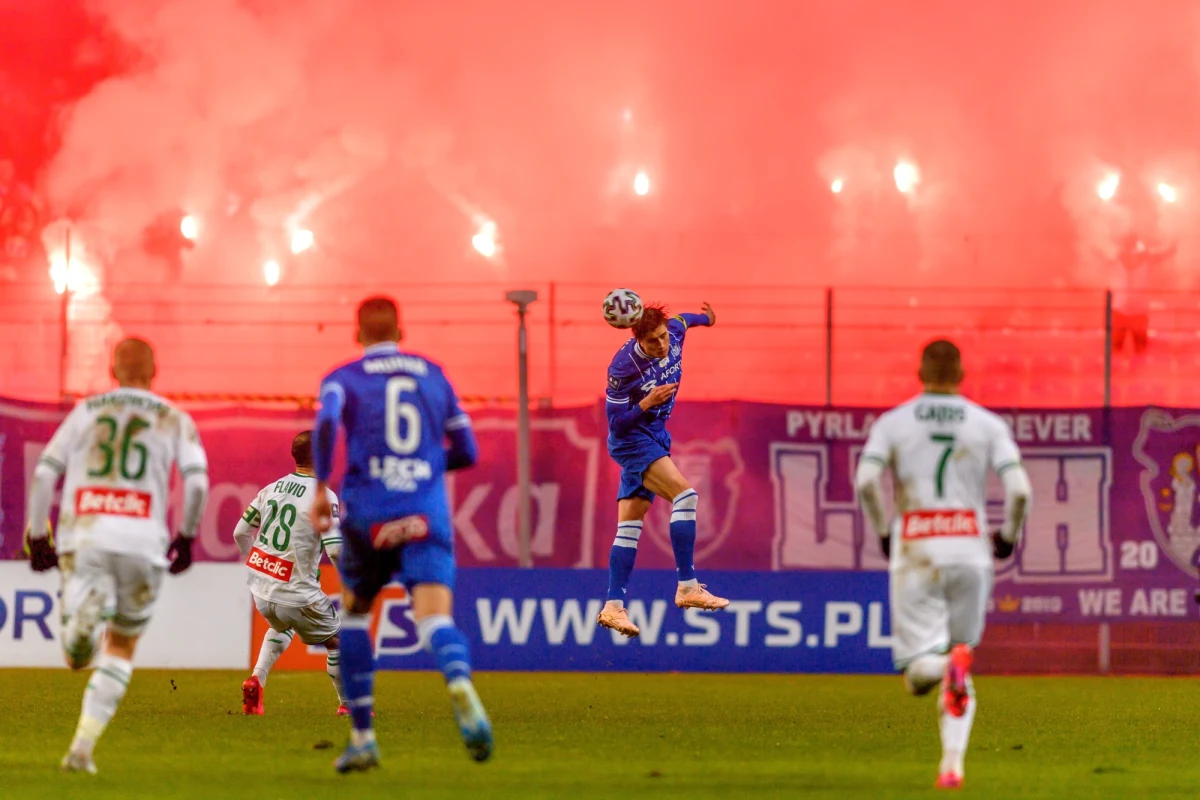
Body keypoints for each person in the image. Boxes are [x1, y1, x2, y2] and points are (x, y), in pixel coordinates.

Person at [310, 296, 489, 772]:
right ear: (401, 330)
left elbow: (327, 421)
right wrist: (426, 466)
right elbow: (467, 450)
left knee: (352, 615)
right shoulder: (435, 374)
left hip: (368, 515)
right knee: (434, 621)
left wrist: (319, 486)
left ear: (358, 332)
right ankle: (458, 682)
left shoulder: (342, 377)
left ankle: (364, 737)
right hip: (425, 513)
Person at [24, 337, 209, 774]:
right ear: (154, 370)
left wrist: (37, 537)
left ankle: (82, 624)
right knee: (122, 646)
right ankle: (82, 748)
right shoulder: (174, 418)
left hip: (85, 535)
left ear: (112, 370)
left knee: (75, 656)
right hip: (143, 542)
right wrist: (185, 536)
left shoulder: (86, 410)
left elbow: (45, 471)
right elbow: (198, 484)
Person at [855, 340, 1031, 790]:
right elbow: (1021, 491)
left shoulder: (894, 423)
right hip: (971, 552)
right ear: (962, 374)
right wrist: (1007, 537)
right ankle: (952, 764)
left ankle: (943, 668)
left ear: (919, 371)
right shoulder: (986, 424)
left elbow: (866, 481)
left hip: (918, 548)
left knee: (917, 673)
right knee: (961, 657)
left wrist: (882, 529)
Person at [597, 301, 729, 639]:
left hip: (655, 434)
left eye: (661, 337)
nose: (661, 345)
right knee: (685, 496)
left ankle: (613, 607)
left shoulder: (673, 331)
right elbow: (616, 425)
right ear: (638, 338)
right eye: (652, 340)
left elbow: (688, 319)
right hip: (632, 440)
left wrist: (708, 319)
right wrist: (646, 403)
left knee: (628, 527)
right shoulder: (623, 366)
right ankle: (687, 585)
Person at [233, 430, 347, 716]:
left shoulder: (272, 488)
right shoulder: (324, 495)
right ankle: (349, 706)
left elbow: (240, 532)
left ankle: (256, 679)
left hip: (262, 588)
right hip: (297, 592)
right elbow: (334, 550)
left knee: (282, 625)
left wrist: (257, 561)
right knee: (338, 642)